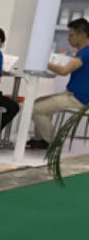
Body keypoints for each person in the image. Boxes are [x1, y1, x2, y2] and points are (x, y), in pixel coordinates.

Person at [29, 17, 89, 147]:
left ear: (82, 34)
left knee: (35, 109)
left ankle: (52, 142)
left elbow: (64, 71)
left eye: (71, 35)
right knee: (37, 103)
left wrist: (43, 61)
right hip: (74, 95)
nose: (68, 39)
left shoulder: (86, 51)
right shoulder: (83, 51)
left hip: (78, 98)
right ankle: (41, 140)